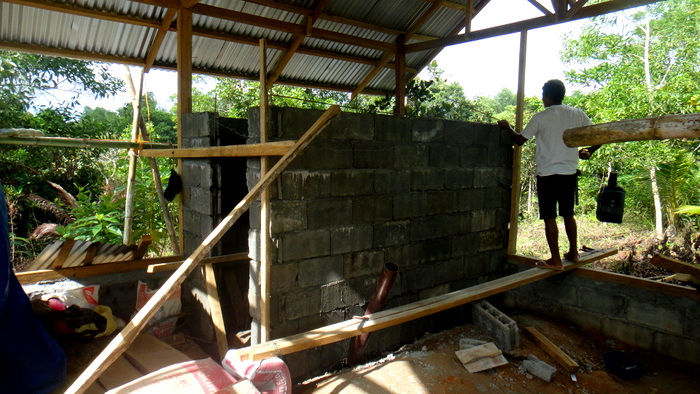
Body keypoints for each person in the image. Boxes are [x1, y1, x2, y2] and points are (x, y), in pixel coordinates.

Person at [498, 79, 600, 269]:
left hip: (547, 175)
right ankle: (573, 253)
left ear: (548, 96)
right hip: (569, 173)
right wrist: (590, 151)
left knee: (549, 216)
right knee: (568, 214)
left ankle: (555, 260)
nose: (542, 97)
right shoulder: (577, 114)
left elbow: (519, 140)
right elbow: (598, 134)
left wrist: (507, 127)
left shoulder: (541, 117)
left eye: (543, 93)